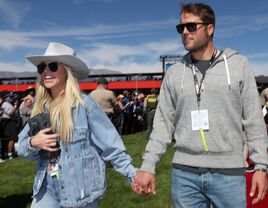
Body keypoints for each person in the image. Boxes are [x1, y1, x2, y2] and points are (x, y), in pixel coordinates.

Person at [132, 3, 268, 207]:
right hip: (184, 174)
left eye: (191, 26)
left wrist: (261, 166)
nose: (185, 32)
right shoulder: (174, 73)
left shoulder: (239, 65)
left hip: (229, 174)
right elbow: (162, 124)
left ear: (210, 28)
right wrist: (148, 165)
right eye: (181, 28)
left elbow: (254, 120)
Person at [18, 42, 136, 208]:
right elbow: (20, 147)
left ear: (68, 71)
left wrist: (132, 174)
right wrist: (33, 143)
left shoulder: (85, 105)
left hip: (80, 192)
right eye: (41, 67)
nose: (45, 71)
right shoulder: (40, 107)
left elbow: (110, 143)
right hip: (47, 188)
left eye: (52, 66)